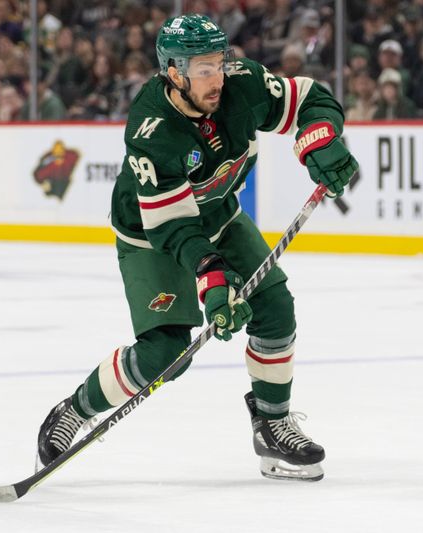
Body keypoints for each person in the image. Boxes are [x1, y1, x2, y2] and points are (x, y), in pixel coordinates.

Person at [35, 14, 358, 482]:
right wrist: (212, 279)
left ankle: (272, 426)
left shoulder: (241, 84)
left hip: (220, 217)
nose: (217, 78)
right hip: (153, 236)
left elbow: (310, 98)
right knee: (164, 354)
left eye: (218, 63)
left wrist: (319, 136)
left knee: (275, 309)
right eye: (203, 69)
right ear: (174, 73)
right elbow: (172, 226)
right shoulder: (151, 129)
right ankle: (76, 408)